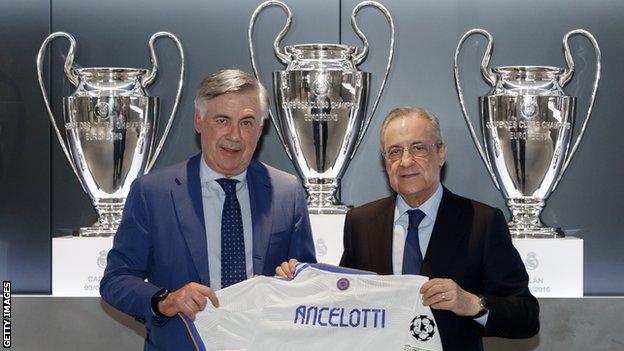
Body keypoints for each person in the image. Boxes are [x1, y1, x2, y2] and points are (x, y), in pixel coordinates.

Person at [277, 107, 539, 351]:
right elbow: (346, 302)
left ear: (441, 153)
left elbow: (526, 317)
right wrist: (300, 283)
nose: (405, 161)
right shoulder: (361, 222)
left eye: (418, 148)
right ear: (385, 162)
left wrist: (472, 304)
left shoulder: (482, 222)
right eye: (394, 151)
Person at [100, 69, 316, 350]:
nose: (235, 136)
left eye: (247, 122)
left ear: (261, 128)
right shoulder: (152, 193)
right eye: (222, 120)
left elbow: (308, 283)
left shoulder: (287, 192)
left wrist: (296, 278)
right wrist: (165, 299)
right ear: (199, 121)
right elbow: (116, 280)